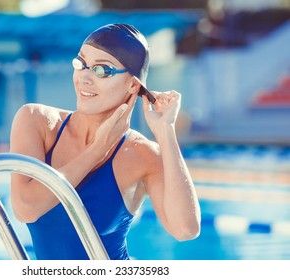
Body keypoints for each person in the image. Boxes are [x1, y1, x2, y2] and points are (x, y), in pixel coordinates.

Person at [10, 23, 201, 260]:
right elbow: (25, 209)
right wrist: (97, 150)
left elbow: (185, 229)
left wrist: (166, 132)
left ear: (133, 84)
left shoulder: (142, 155)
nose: (85, 78)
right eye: (81, 64)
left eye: (103, 71)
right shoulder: (38, 122)